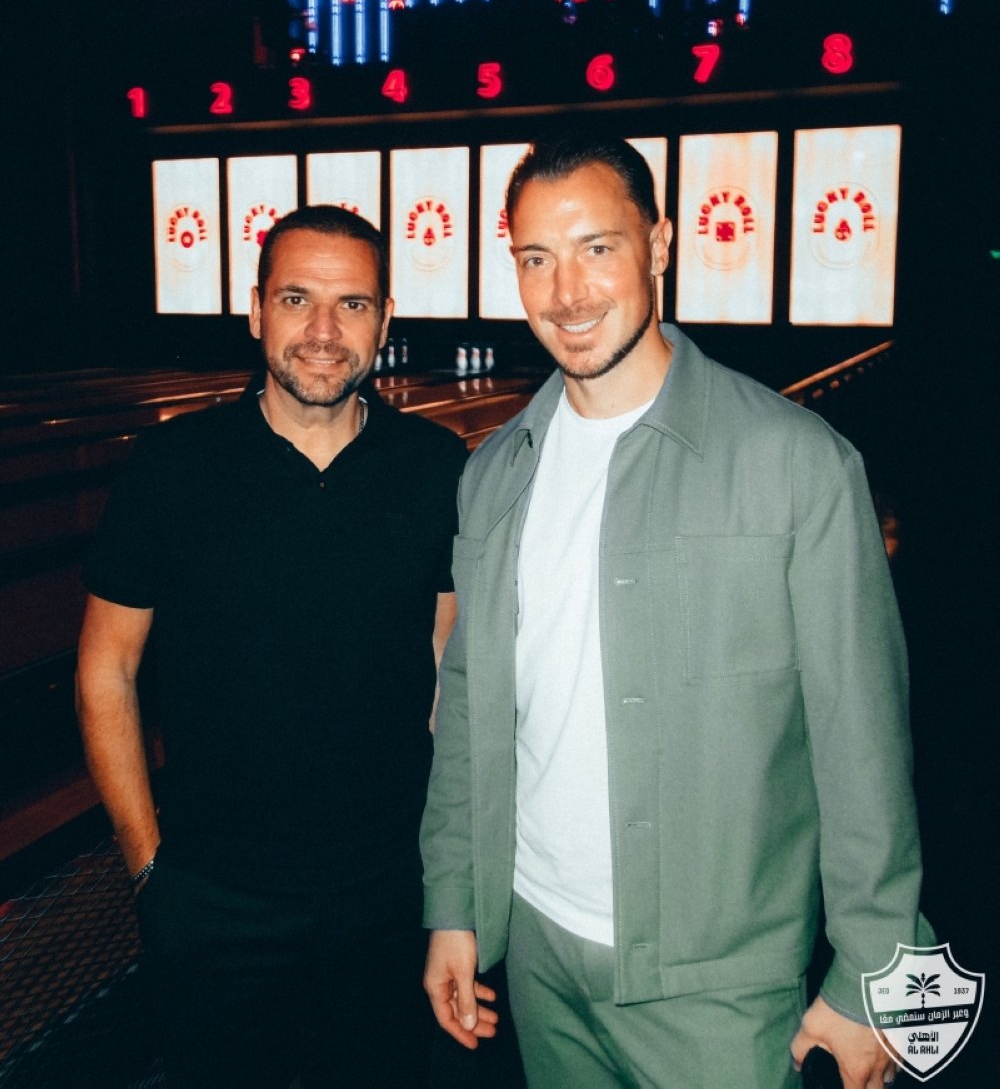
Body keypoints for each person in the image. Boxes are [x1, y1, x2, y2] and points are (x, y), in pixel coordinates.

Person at [421, 135, 930, 1089]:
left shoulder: (797, 463)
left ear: (658, 245)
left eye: (597, 248)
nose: (566, 292)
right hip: (536, 951)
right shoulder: (494, 475)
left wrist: (875, 977)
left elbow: (861, 742)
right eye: (536, 258)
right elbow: (472, 712)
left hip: (720, 983)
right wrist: (454, 903)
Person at [77, 204, 468, 1087]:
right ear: (256, 310)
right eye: (297, 299)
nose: (324, 331)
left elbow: (449, 675)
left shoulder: (436, 467)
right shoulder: (170, 467)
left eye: (352, 304)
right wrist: (150, 872)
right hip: (213, 899)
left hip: (388, 895)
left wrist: (449, 879)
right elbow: (107, 669)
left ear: (385, 319)